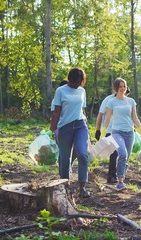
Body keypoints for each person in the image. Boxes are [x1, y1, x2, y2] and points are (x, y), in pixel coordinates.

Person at [50, 67, 90, 198]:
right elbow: (56, 111)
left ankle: (82, 187)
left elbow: (83, 111)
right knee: (65, 159)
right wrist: (53, 129)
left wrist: (87, 129)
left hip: (80, 125)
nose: (76, 84)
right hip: (65, 127)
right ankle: (65, 187)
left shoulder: (82, 91)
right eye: (74, 81)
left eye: (79, 82)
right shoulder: (60, 91)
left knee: (83, 155)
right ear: (70, 79)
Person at [102, 78, 141, 191]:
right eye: (120, 86)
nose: (122, 88)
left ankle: (121, 176)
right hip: (117, 132)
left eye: (124, 86)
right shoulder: (111, 102)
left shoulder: (131, 101)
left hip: (130, 133)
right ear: (116, 88)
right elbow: (107, 119)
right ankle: (120, 182)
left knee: (126, 158)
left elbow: (135, 118)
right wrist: (103, 132)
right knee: (123, 154)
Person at [95, 90, 118, 184]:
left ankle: (120, 175)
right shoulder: (108, 100)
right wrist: (98, 130)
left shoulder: (127, 100)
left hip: (122, 130)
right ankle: (112, 176)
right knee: (114, 153)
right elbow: (100, 115)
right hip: (109, 130)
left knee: (122, 154)